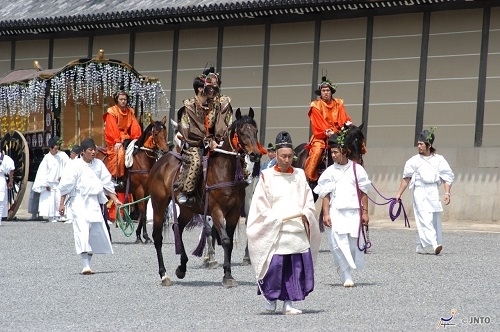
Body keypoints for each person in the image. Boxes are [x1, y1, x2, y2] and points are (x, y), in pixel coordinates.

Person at [246, 131, 321, 315]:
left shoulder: (300, 175)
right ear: (276, 156)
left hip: (296, 229)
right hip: (276, 228)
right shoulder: (267, 176)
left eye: (289, 156)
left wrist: (306, 213)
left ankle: (289, 303)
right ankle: (271, 299)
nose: (287, 160)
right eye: (283, 156)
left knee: (293, 268)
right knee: (274, 266)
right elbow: (260, 205)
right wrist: (274, 218)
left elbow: (308, 200)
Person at [313, 132, 371, 287]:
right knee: (337, 243)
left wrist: (365, 212)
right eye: (331, 152)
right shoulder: (330, 172)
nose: (333, 155)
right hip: (336, 212)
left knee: (352, 244)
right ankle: (346, 274)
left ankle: (346, 270)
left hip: (354, 212)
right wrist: (325, 214)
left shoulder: (357, 169)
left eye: (335, 152)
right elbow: (326, 195)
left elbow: (363, 192)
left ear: (344, 151)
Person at [58, 138, 122, 275]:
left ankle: (89, 261)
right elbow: (66, 186)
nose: (93, 152)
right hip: (78, 201)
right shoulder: (74, 165)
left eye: (94, 150)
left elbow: (107, 183)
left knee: (94, 232)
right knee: (82, 230)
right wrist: (61, 203)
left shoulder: (98, 164)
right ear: (83, 152)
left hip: (93, 201)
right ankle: (85, 265)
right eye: (90, 150)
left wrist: (115, 200)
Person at [175, 67, 233, 206]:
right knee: (196, 162)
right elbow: (187, 130)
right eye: (209, 87)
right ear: (201, 89)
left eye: (215, 87)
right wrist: (206, 140)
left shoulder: (218, 104)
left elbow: (223, 123)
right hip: (194, 144)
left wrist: (218, 139)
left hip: (215, 142)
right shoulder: (188, 107)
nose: (213, 90)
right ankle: (186, 191)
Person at [395, 128, 454, 255]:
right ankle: (434, 244)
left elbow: (447, 177)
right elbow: (406, 178)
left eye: (421, 144)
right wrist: (399, 194)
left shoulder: (439, 160)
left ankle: (419, 245)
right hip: (419, 190)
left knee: (433, 218)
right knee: (424, 217)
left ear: (429, 145)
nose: (419, 146)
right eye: (418, 143)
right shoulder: (414, 161)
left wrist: (447, 193)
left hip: (433, 190)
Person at [304, 75, 352, 183]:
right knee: (317, 150)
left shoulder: (339, 104)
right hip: (321, 135)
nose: (325, 92)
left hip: (338, 134)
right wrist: (327, 131)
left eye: (328, 90)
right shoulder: (316, 105)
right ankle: (309, 177)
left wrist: (345, 127)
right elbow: (318, 123)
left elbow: (343, 118)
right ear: (320, 92)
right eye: (323, 90)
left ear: (331, 92)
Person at [103, 90, 141, 220]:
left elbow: (135, 126)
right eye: (121, 99)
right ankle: (117, 178)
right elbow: (111, 128)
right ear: (117, 100)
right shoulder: (112, 112)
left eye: (125, 99)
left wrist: (136, 138)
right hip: (116, 139)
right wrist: (116, 141)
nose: (123, 101)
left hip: (127, 137)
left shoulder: (130, 111)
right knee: (119, 153)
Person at [32, 136, 69, 222]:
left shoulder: (62, 155)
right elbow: (42, 172)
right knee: (50, 201)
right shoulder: (47, 158)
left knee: (59, 199)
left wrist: (63, 175)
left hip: (59, 183)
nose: (56, 151)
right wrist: (45, 184)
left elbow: (68, 166)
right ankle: (52, 216)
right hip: (50, 183)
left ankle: (61, 215)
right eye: (55, 149)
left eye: (57, 149)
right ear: (50, 148)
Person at [0, 151, 15, 225]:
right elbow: (11, 169)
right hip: (1, 178)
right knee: (1, 200)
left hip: (2, 178)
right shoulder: (6, 158)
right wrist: (11, 181)